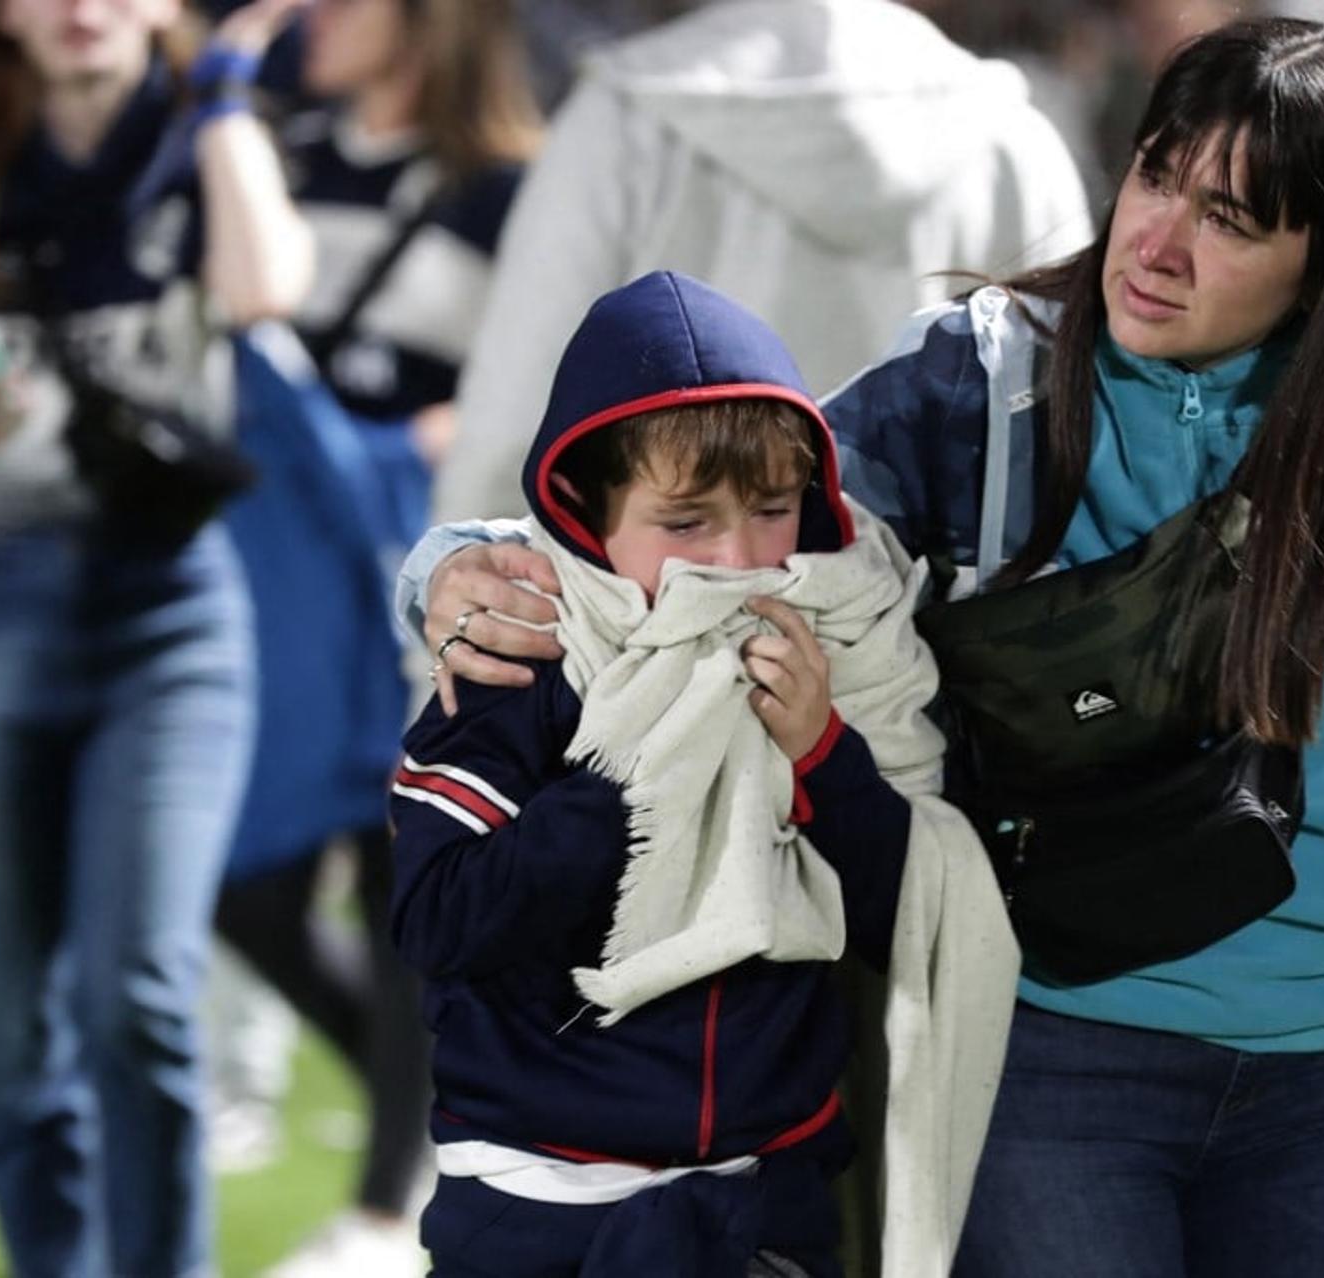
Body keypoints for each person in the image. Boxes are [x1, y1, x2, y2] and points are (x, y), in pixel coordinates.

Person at [406, 18, 1324, 1275]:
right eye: (1155, 175)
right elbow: (709, 511)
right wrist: (446, 566)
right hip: (1054, 1049)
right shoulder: (982, 380)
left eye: (1232, 221)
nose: (1157, 245)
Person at [0, 0, 313, 1271]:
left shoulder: (200, 138)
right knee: (19, 1021)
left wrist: (222, 94)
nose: (81, 8)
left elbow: (263, 291)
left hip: (171, 609)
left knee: (138, 997)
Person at [391, 270, 1015, 1277]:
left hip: (761, 1199)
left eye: (771, 508)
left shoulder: (844, 642)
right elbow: (437, 918)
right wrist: (619, 790)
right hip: (531, 1207)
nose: (734, 554)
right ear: (589, 514)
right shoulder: (521, 652)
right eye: (685, 523)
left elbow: (917, 914)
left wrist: (820, 755)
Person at [210, 2, 540, 1273]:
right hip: (282, 558)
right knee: (245, 886)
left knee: (401, 866)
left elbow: (556, 356)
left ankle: (381, 1204)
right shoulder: (289, 156)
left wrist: (444, 439)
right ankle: (461, 1127)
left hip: (428, 552)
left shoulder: (513, 184)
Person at [425, 0, 1094, 533]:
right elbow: (1065, 449)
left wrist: (450, 663)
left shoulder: (624, 122)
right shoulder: (1017, 141)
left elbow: (508, 433)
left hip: (651, 667)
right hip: (934, 667)